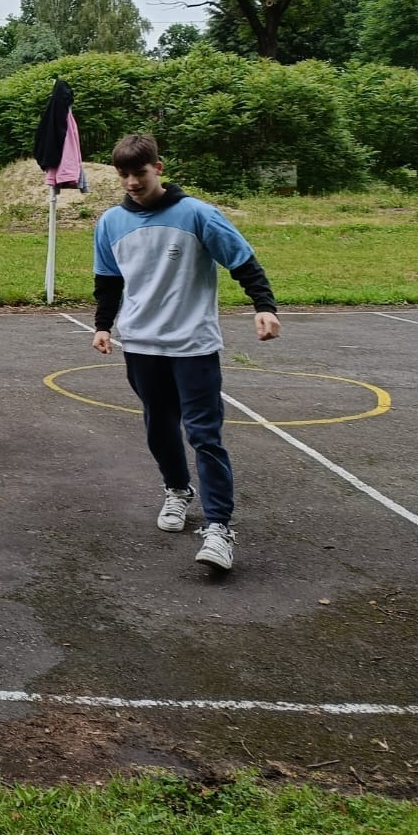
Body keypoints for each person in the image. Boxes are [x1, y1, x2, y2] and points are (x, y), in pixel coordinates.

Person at [91, 133, 280, 572]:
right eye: (124, 175)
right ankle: (177, 489)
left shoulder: (197, 214)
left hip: (193, 346)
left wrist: (264, 307)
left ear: (158, 168)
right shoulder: (110, 223)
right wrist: (103, 325)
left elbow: (243, 261)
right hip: (140, 344)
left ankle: (218, 527)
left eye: (139, 173)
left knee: (204, 435)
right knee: (159, 428)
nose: (132, 183)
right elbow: (109, 281)